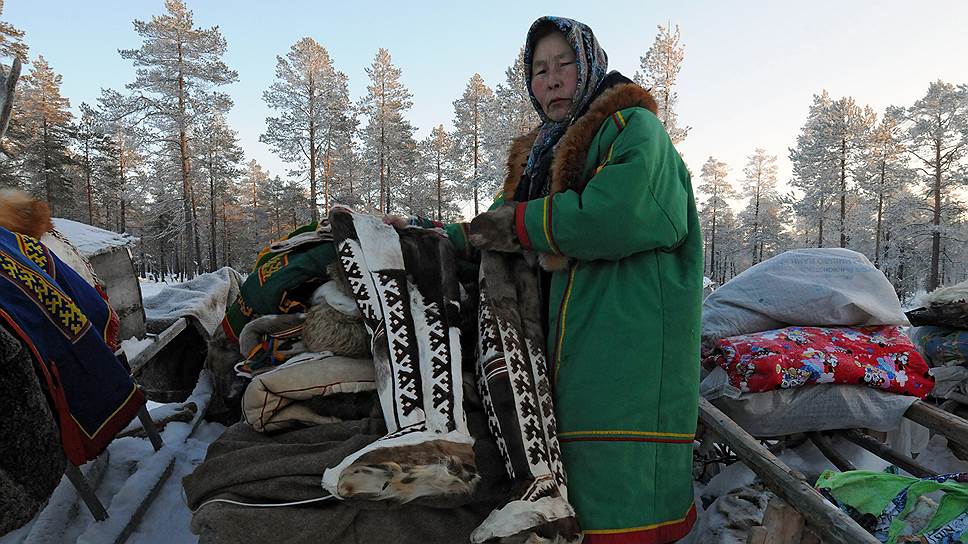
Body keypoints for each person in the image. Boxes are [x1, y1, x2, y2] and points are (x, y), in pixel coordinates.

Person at [389, 16, 702, 544]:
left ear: (591, 65)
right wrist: (428, 233)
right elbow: (493, 229)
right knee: (574, 500)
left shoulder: (633, 130)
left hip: (628, 344)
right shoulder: (539, 155)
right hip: (569, 347)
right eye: (538, 69)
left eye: (564, 63)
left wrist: (514, 224)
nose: (551, 79)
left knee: (626, 506)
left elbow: (618, 213)